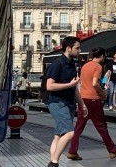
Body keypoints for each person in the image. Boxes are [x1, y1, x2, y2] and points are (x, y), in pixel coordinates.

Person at [65, 47, 116, 161]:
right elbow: (94, 83)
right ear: (102, 56)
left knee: (78, 127)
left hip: (83, 98)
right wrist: (103, 93)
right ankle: (112, 150)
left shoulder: (85, 66)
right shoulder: (98, 67)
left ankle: (72, 151)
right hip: (93, 99)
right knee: (101, 126)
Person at [43, 36, 85, 167]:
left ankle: (53, 160)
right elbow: (49, 86)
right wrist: (69, 84)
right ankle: (54, 162)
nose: (79, 51)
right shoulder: (57, 64)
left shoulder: (72, 64)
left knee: (58, 136)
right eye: (77, 48)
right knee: (69, 132)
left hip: (68, 103)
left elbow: (74, 86)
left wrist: (82, 104)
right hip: (57, 102)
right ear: (68, 48)